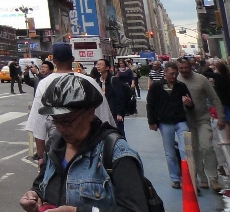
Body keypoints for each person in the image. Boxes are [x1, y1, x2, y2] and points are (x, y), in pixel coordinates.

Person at [20, 74, 151, 212]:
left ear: (90, 113)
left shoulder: (115, 152)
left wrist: (77, 211)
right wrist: (35, 195)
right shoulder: (54, 144)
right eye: (55, 120)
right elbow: (41, 183)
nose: (60, 128)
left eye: (66, 121)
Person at [26, 44, 115, 166]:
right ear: (73, 60)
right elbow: (105, 119)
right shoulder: (90, 81)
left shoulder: (45, 84)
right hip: (95, 149)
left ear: (54, 61)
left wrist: (41, 157)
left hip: (58, 152)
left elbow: (39, 124)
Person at [178, 56, 224, 191]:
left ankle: (213, 178)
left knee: (207, 146)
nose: (184, 70)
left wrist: (221, 117)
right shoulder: (177, 80)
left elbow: (214, 98)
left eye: (186, 68)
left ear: (191, 66)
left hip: (202, 119)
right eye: (181, 68)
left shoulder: (201, 79)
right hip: (186, 121)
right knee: (193, 151)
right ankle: (202, 178)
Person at [146, 60, 192, 189]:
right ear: (165, 73)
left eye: (175, 74)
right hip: (165, 123)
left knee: (186, 150)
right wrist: (152, 121)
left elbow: (190, 103)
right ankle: (175, 178)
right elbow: (150, 104)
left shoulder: (181, 86)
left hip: (180, 121)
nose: (174, 76)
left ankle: (189, 176)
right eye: (171, 74)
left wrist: (189, 103)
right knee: (170, 152)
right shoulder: (156, 86)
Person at [93, 59, 129, 136]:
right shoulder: (98, 81)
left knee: (118, 133)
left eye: (101, 64)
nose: (98, 66)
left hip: (114, 112)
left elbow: (120, 96)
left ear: (107, 68)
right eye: (97, 64)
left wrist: (120, 113)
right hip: (103, 112)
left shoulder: (113, 80)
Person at [213, 60, 230, 144]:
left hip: (225, 102)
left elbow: (206, 73)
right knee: (228, 121)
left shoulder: (220, 78)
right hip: (228, 101)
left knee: (229, 121)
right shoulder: (227, 77)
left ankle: (229, 139)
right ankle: (227, 139)